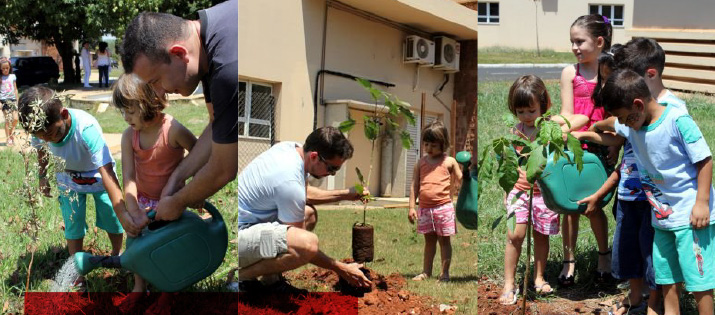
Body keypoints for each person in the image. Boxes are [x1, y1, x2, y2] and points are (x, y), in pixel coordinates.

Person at [595, 69, 715, 315]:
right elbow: (613, 124)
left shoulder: (677, 121)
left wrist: (701, 202)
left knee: (699, 281)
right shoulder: (633, 124)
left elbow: (704, 160)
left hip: (692, 218)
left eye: (624, 116)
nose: (622, 123)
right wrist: (593, 126)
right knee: (667, 279)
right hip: (661, 220)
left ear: (638, 104)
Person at [17, 86, 145, 290]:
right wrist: (43, 177)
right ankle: (76, 268)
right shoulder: (39, 127)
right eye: (42, 137)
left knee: (111, 216)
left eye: (51, 133)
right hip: (67, 179)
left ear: (64, 115)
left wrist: (121, 211)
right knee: (72, 221)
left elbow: (106, 170)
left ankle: (117, 254)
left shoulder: (86, 128)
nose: (48, 139)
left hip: (97, 176)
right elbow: (42, 152)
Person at [121, 0, 237, 223]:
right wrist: (177, 177)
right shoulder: (207, 40)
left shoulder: (228, 68)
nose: (157, 93)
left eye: (155, 81)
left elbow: (224, 168)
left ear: (178, 53)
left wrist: (178, 201)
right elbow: (216, 124)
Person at [573, 46, 659, 315]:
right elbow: (615, 132)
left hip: (652, 199)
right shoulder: (630, 121)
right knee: (630, 251)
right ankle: (635, 301)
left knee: (650, 254)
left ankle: (652, 303)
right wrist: (593, 129)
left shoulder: (654, 117)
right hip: (627, 197)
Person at [236, 126, 371, 292]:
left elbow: (304, 193)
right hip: (235, 244)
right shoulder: (288, 180)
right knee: (307, 244)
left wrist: (345, 194)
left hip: (244, 230)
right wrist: (340, 268)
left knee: (308, 214)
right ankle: (239, 277)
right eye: (331, 168)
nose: (332, 174)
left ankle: (270, 281)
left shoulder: (292, 149)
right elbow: (301, 246)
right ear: (315, 156)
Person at [111, 74, 197, 295]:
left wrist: (192, 189)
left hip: (171, 202)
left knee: (168, 246)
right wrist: (133, 209)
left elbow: (198, 152)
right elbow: (128, 176)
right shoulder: (129, 136)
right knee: (137, 244)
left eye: (130, 111)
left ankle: (169, 289)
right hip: (143, 201)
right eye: (122, 111)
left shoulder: (172, 129)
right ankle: (139, 287)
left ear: (146, 102)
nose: (125, 117)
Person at [557, 13, 613, 287]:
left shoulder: (610, 72)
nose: (574, 47)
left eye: (580, 41)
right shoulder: (571, 73)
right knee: (569, 207)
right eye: (572, 42)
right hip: (573, 146)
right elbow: (567, 113)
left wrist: (615, 145)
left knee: (594, 205)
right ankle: (569, 260)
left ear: (599, 41)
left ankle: (604, 257)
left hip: (601, 147)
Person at [496, 75, 560, 305]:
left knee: (541, 235)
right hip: (520, 191)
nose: (526, 116)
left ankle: (539, 277)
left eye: (531, 111)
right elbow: (509, 165)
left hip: (543, 193)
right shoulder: (516, 132)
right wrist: (507, 190)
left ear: (544, 106)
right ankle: (509, 283)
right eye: (521, 112)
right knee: (515, 235)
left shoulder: (550, 130)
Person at [408, 121, 461, 282]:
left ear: (443, 144)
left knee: (444, 241)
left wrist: (468, 173)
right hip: (424, 209)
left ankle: (444, 273)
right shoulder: (420, 163)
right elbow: (414, 185)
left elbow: (461, 178)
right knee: (429, 241)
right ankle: (426, 272)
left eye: (433, 145)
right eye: (426, 144)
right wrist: (411, 207)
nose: (429, 148)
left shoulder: (449, 161)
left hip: (443, 208)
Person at [0, 57, 19, 146]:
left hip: (13, 100)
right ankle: (9, 139)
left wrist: (17, 100)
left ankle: (11, 134)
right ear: (0, 68)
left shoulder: (12, 76)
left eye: (7, 68)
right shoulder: (0, 78)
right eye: (3, 68)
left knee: (15, 119)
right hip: (4, 100)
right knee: (8, 120)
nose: (5, 70)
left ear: (9, 67)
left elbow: (15, 89)